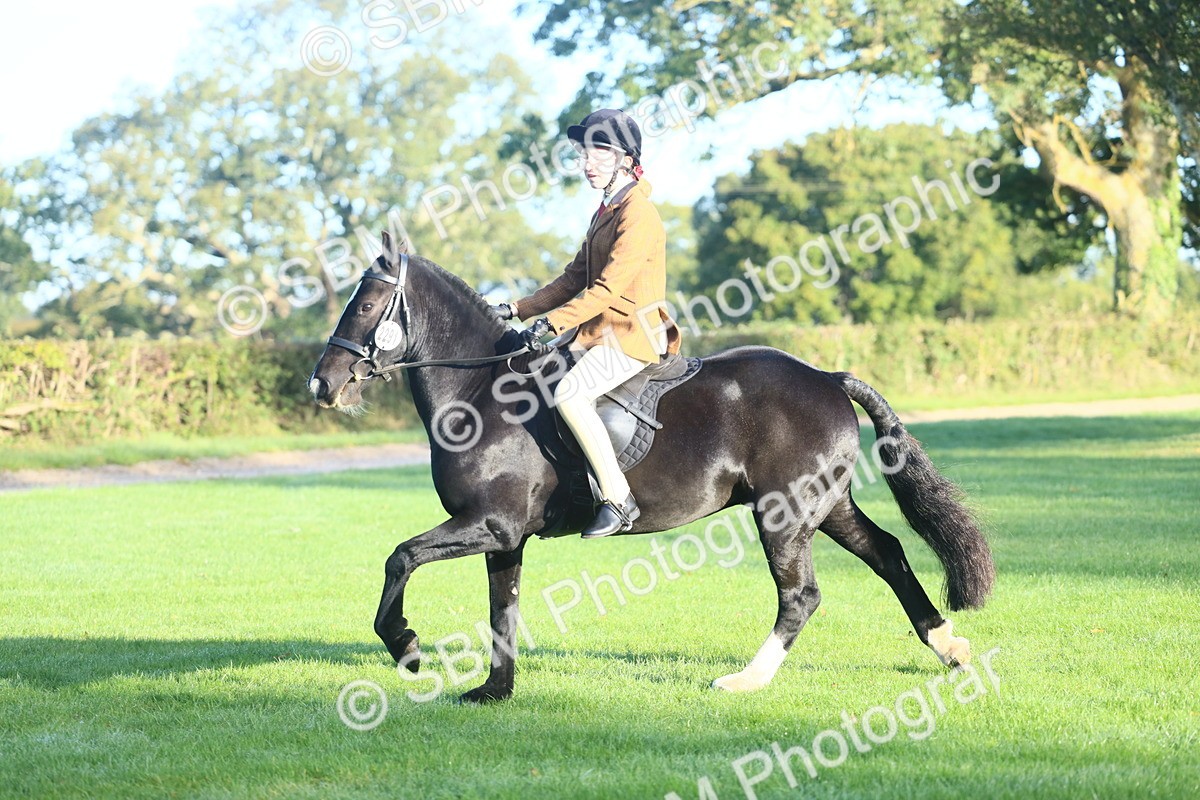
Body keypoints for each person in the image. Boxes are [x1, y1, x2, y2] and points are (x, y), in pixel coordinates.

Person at [492, 109, 682, 538]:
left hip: (631, 336)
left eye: (598, 153)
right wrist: (516, 309)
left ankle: (618, 499)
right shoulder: (606, 211)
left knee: (571, 395)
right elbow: (573, 278)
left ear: (625, 160)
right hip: (598, 334)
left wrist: (552, 324)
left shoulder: (639, 213)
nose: (586, 163)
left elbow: (608, 289)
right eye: (583, 153)